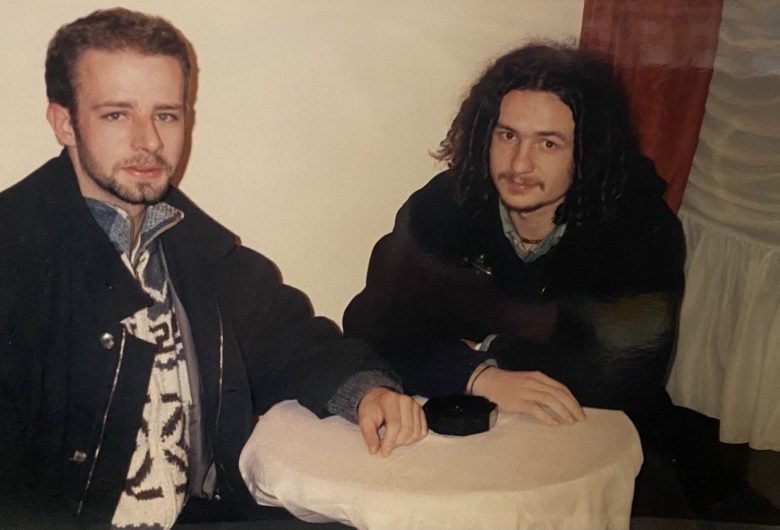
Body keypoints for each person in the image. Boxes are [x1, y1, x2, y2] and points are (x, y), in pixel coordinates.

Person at [0, 8, 426, 528]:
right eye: (117, 115)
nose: (149, 141)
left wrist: (368, 391)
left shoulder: (192, 246)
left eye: (166, 115)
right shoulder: (14, 256)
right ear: (64, 122)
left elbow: (291, 339)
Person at [344, 42, 779, 522]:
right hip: (463, 425)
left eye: (548, 143)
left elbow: (621, 374)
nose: (520, 164)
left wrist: (486, 347)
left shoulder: (639, 226)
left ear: (586, 152)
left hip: (602, 433)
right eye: (507, 135)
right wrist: (479, 375)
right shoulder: (445, 204)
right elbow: (369, 324)